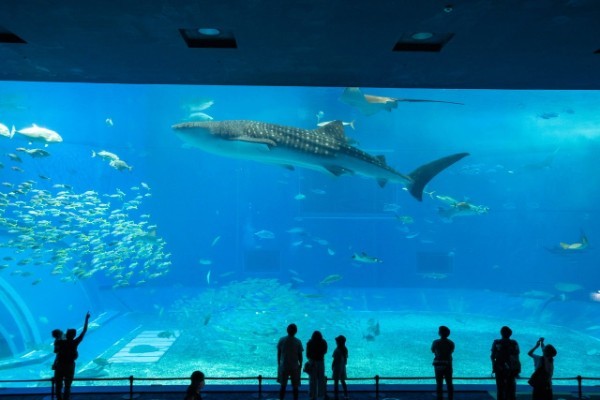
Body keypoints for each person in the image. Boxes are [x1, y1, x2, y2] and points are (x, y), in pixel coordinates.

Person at [54, 312, 90, 400]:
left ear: (67, 334)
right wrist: (86, 319)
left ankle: (59, 399)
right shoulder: (74, 342)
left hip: (60, 365)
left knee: (58, 385)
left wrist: (55, 363)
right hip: (69, 365)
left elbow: (57, 353)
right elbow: (84, 331)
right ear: (74, 335)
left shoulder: (60, 342)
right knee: (67, 385)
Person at [491, 326, 521, 400]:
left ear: (501, 333)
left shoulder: (497, 342)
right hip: (512, 368)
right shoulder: (514, 343)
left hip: (499, 368)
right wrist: (518, 368)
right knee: (511, 388)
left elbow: (492, 356)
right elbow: (517, 356)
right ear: (510, 334)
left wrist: (494, 367)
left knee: (500, 388)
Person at [277, 323, 304, 400]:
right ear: (296, 331)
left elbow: (279, 353)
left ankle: (281, 399)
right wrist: (300, 364)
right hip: (294, 366)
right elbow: (300, 355)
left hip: (284, 366)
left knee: (283, 386)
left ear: (287, 330)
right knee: (295, 387)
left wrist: (279, 363)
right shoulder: (298, 341)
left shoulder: (281, 340)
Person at [431, 326, 455, 400]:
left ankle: (439, 397)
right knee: (449, 382)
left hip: (438, 364)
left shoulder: (435, 342)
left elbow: (432, 350)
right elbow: (451, 351)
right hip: (448, 364)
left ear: (439, 333)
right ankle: (450, 397)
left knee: (439, 383)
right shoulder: (451, 342)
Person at [306, 330, 328, 400]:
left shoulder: (309, 342)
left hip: (312, 362)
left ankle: (312, 396)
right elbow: (325, 351)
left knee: (312, 380)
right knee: (321, 379)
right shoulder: (323, 342)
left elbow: (307, 354)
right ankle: (321, 395)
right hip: (320, 361)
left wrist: (311, 358)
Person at [331, 335, 348, 400]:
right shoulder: (345, 349)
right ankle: (346, 394)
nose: (336, 342)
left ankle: (336, 396)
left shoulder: (337, 350)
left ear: (338, 342)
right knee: (342, 381)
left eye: (337, 341)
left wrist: (332, 365)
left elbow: (335, 360)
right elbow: (346, 360)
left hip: (337, 368)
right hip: (342, 367)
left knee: (336, 382)